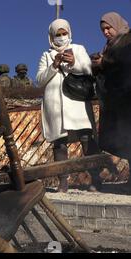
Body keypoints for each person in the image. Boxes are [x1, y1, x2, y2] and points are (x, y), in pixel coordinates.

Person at [36, 19, 103, 192]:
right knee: (60, 143)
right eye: (57, 34)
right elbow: (40, 81)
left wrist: (74, 62)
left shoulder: (79, 49)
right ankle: (63, 182)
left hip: (77, 102)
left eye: (63, 33)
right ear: (51, 36)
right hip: (55, 106)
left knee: (86, 138)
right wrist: (54, 65)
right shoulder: (46, 55)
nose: (61, 37)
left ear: (69, 33)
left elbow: (88, 69)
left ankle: (96, 178)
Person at [92, 12, 131, 189]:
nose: (106, 32)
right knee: (123, 141)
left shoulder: (127, 39)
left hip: (127, 97)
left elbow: (124, 60)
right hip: (116, 100)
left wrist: (104, 62)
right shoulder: (109, 46)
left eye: (109, 28)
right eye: (103, 30)